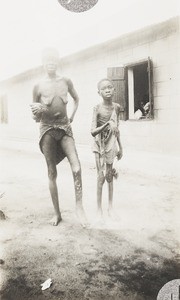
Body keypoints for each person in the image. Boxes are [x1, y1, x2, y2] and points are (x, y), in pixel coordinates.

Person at [30, 48, 86, 226]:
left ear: (58, 61)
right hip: (46, 130)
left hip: (64, 128)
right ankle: (57, 213)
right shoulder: (37, 86)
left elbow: (77, 99)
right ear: (43, 63)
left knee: (76, 167)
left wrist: (72, 116)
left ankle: (79, 208)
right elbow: (35, 116)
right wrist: (38, 112)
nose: (51, 63)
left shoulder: (66, 81)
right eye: (48, 60)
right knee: (51, 172)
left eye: (54, 59)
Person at [91, 78, 123, 220]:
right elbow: (92, 131)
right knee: (100, 177)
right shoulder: (97, 108)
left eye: (110, 87)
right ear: (99, 92)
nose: (108, 90)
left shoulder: (116, 107)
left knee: (109, 176)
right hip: (99, 145)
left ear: (114, 89)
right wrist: (107, 124)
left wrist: (120, 147)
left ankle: (110, 208)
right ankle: (99, 210)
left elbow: (116, 129)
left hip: (111, 144)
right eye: (104, 88)